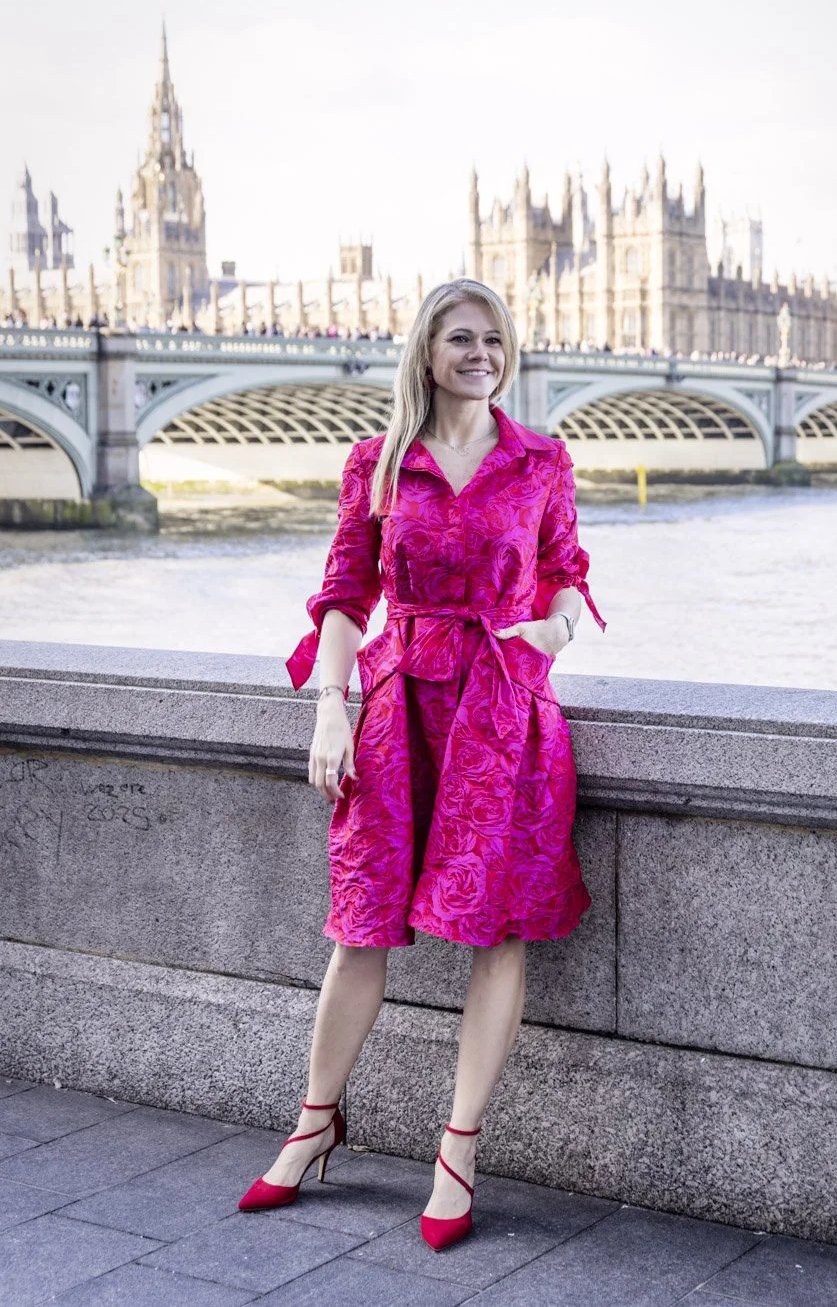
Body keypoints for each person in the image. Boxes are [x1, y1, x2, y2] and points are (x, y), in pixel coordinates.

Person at [237, 278, 605, 1250]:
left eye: (494, 339)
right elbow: (343, 594)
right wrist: (331, 707)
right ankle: (315, 1123)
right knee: (361, 923)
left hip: (505, 714)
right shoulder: (379, 462)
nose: (481, 354)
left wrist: (556, 629)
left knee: (498, 929)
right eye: (461, 339)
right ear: (428, 353)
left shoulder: (540, 461)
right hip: (398, 710)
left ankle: (459, 1150)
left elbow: (567, 573)